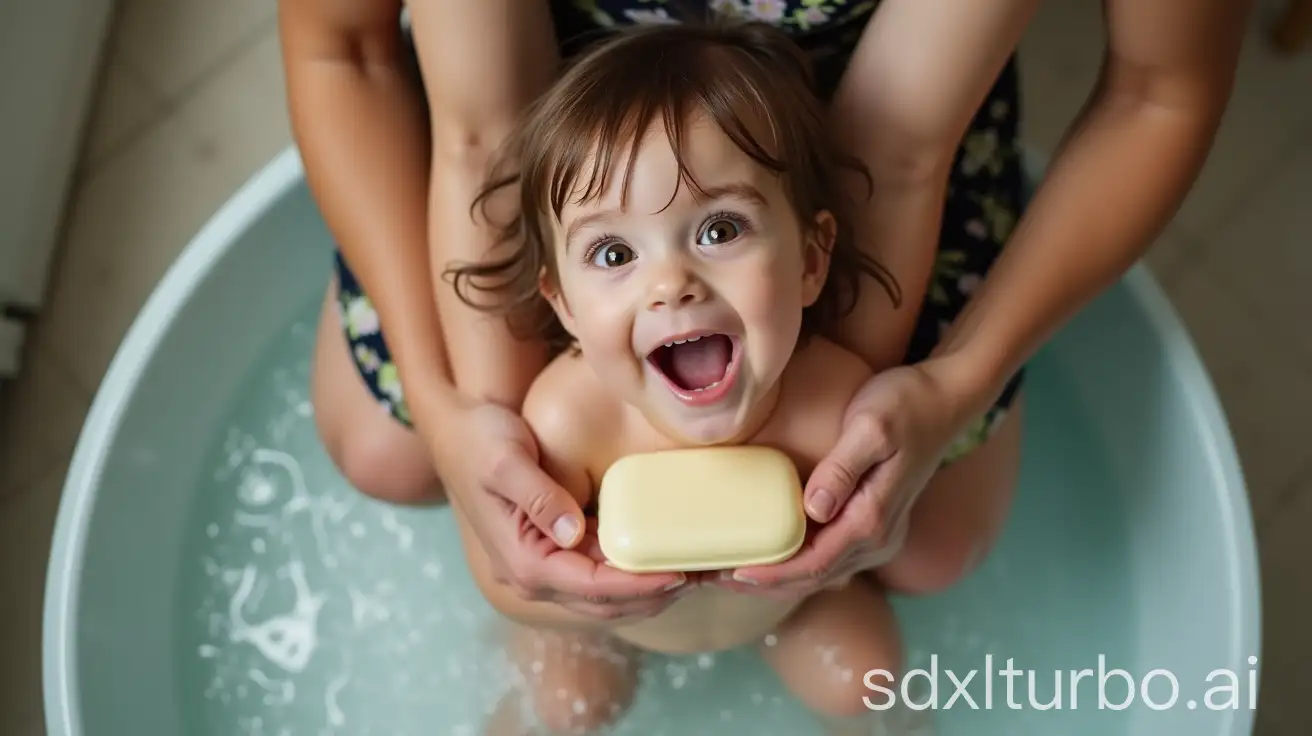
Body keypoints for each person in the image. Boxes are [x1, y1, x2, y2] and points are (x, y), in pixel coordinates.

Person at [278, 0, 1250, 622]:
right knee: (390, 451)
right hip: (541, 123)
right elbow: (360, 56)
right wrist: (452, 409)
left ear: (818, 254)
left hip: (892, 123)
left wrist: (955, 382)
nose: (669, 289)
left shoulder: (863, 177)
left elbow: (1151, 92)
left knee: (934, 542)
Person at [453, 21, 912, 733]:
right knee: (566, 704)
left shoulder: (837, 411)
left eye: (719, 231)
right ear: (564, 305)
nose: (671, 284)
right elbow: (519, 569)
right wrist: (570, 593)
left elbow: (874, 532)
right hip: (606, 625)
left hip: (793, 604)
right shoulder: (570, 426)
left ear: (811, 262)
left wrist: (847, 558)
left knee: (867, 683)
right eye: (612, 254)